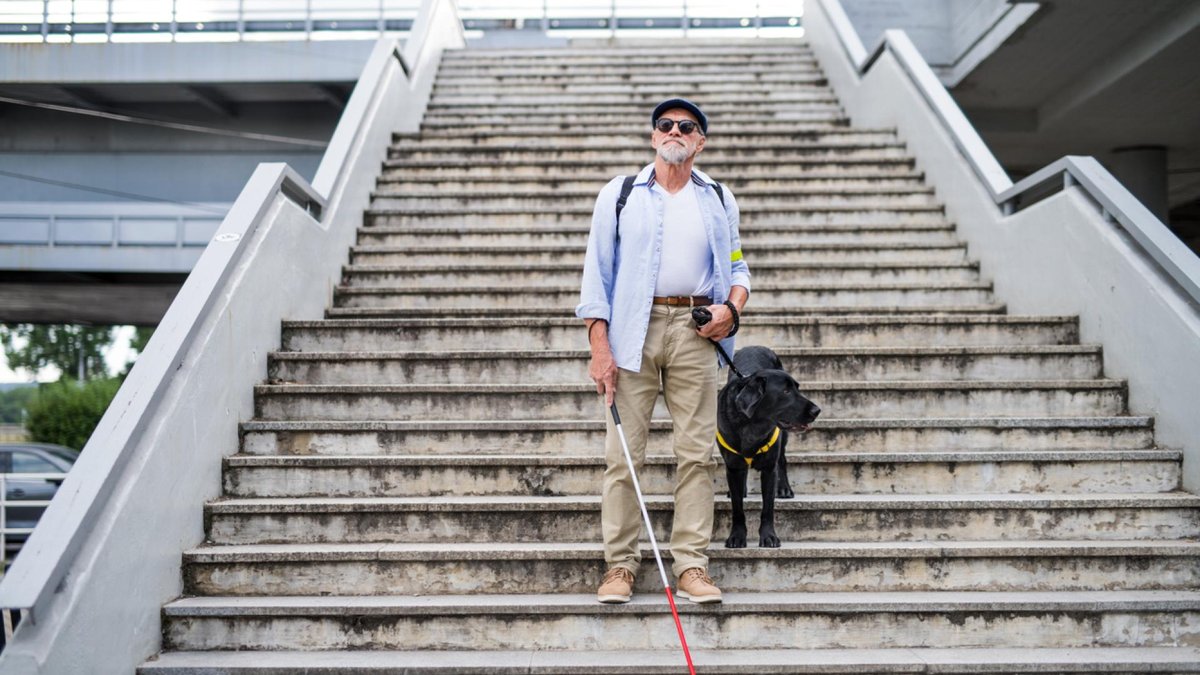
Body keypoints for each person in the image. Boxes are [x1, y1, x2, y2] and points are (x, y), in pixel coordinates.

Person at [575, 97, 751, 605]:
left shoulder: (718, 197)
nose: (674, 131)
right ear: (654, 137)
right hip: (633, 328)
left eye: (686, 126)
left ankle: (692, 566)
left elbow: (737, 268)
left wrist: (732, 311)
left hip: (698, 333)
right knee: (622, 456)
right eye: (665, 125)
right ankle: (619, 567)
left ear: (700, 141)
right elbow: (596, 274)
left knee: (697, 454)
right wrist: (599, 345)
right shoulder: (622, 193)